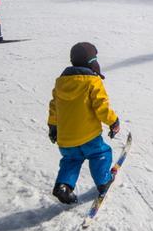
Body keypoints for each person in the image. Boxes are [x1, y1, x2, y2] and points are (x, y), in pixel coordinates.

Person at [48, 42, 121, 204]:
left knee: (71, 160)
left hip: (66, 138)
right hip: (89, 136)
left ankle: (64, 186)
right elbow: (101, 107)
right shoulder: (92, 81)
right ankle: (103, 182)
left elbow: (54, 107)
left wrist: (53, 127)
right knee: (100, 154)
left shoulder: (60, 83)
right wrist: (113, 121)